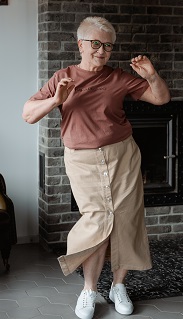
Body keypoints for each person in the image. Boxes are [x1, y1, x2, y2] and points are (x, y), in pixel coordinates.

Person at [22, 16, 170, 319]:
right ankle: (89, 290)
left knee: (127, 219)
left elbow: (161, 99)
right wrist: (55, 101)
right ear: (81, 44)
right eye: (96, 44)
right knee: (97, 221)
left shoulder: (118, 77)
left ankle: (118, 286)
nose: (102, 51)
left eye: (108, 46)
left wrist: (152, 75)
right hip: (82, 159)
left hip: (123, 155)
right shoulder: (62, 76)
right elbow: (27, 114)